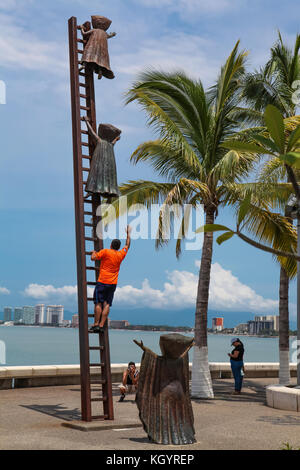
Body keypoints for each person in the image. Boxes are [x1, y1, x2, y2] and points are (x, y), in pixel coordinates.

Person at [89, 225, 131, 333]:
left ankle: (96, 324)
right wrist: (128, 234)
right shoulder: (121, 254)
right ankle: (102, 325)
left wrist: (93, 252)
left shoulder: (106, 251)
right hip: (112, 283)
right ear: (118, 247)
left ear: (111, 245)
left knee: (98, 303)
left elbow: (93, 258)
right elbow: (127, 245)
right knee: (107, 304)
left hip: (102, 281)